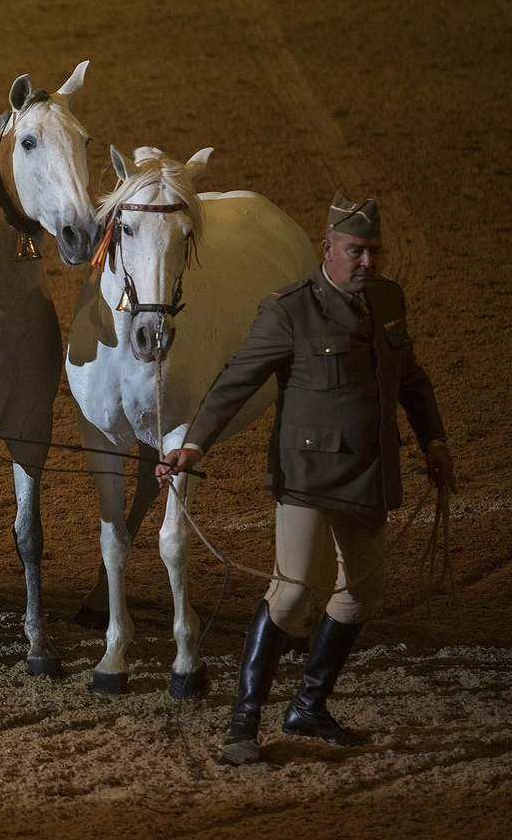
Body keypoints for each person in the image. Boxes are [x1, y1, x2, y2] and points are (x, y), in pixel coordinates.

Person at [157, 192, 454, 766]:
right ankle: (243, 724)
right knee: (291, 594)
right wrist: (193, 444)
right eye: (354, 251)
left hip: (370, 470)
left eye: (373, 251)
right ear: (327, 249)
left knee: (359, 594)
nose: (367, 262)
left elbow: (410, 379)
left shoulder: (389, 299)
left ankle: (308, 706)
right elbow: (236, 381)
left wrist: (434, 440)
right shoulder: (289, 309)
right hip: (308, 473)